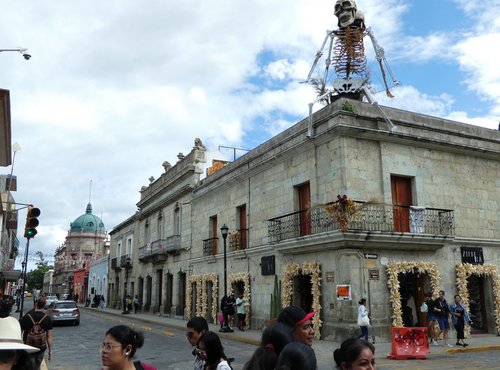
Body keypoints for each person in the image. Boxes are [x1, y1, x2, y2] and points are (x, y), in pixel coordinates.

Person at [20, 297, 53, 370]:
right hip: (41, 347)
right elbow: (49, 336)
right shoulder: (47, 318)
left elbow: (20, 332)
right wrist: (50, 351)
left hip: (28, 347)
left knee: (29, 366)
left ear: (36, 304)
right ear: (44, 306)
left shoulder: (26, 317)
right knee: (37, 366)